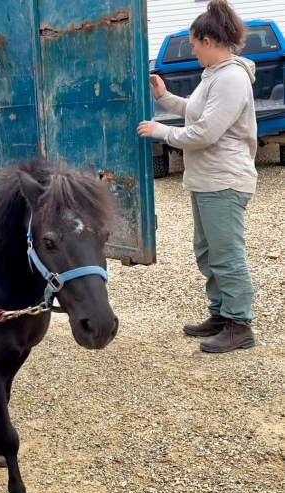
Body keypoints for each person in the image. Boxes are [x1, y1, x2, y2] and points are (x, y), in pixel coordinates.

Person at [137, 0, 257, 353]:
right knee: (207, 252)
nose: (191, 50)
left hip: (224, 180)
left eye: (193, 44)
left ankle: (239, 324)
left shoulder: (232, 78)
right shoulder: (215, 76)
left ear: (207, 40)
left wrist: (162, 132)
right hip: (207, 181)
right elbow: (196, 111)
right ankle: (220, 314)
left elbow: (205, 132)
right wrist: (165, 98)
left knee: (226, 254)